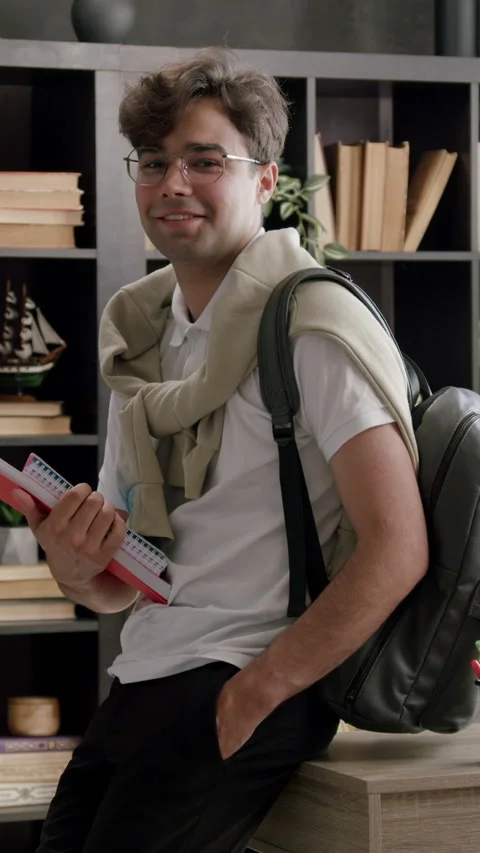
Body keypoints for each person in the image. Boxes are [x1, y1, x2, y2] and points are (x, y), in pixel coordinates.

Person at [16, 47, 428, 853]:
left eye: (206, 161)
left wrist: (257, 692)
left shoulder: (312, 328)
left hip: (242, 677)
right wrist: (75, 566)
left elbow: (398, 546)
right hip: (143, 677)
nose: (173, 184)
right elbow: (126, 583)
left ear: (266, 179)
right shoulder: (142, 341)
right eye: (155, 162)